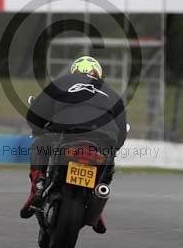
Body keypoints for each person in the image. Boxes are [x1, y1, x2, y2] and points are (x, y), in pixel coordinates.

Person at [20, 55, 127, 234]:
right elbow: (122, 130)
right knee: (110, 157)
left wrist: (38, 129)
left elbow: (36, 112)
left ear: (75, 71)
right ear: (99, 75)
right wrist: (114, 146)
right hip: (102, 139)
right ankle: (97, 199)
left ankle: (37, 185)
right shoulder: (112, 93)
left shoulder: (62, 82)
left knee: (40, 144)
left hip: (67, 134)